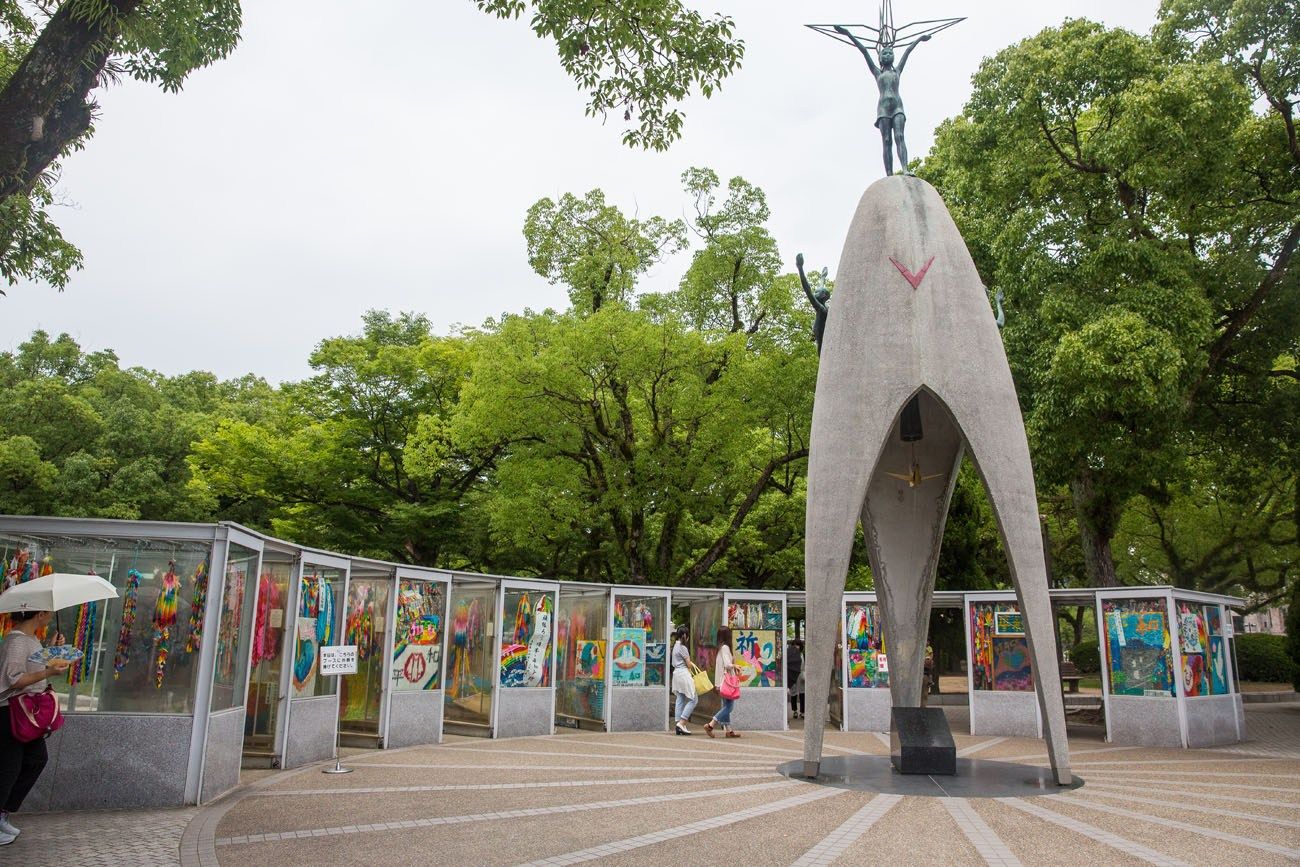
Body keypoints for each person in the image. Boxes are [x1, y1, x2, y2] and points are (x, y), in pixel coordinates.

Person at [0, 609, 70, 846]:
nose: (51, 614)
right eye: (48, 612)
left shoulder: (30, 639)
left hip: (27, 713)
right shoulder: (16, 641)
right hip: (11, 712)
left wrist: (50, 650)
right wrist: (49, 670)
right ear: (40, 614)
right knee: (8, 769)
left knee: (36, 760)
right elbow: (14, 678)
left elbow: (32, 666)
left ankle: (3, 813)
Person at [833, 25, 931, 176]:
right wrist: (848, 34)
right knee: (886, 141)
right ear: (879, 58)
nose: (887, 55)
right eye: (884, 53)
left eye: (889, 53)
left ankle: (905, 169)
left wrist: (919, 39)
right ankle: (889, 174)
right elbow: (863, 50)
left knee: (899, 136)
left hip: (897, 106)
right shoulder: (877, 72)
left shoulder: (897, 71)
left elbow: (908, 51)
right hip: (883, 109)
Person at [705, 626, 740, 738]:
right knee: (729, 707)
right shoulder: (725, 648)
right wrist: (735, 665)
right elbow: (727, 665)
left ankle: (729, 731)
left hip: (722, 682)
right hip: (726, 682)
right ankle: (711, 725)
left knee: (726, 705)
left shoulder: (721, 648)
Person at [670, 625, 697, 735]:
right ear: (685, 636)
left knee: (680, 698)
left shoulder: (675, 646)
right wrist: (692, 663)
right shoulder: (683, 648)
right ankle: (682, 722)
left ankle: (678, 723)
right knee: (693, 699)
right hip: (683, 674)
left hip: (676, 674)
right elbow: (689, 665)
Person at [787, 639, 805, 719]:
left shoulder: (802, 655)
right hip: (792, 674)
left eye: (798, 645)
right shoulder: (790, 654)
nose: (796, 646)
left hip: (801, 675)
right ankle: (795, 711)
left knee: (802, 693)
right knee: (793, 693)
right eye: (795, 645)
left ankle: (802, 712)